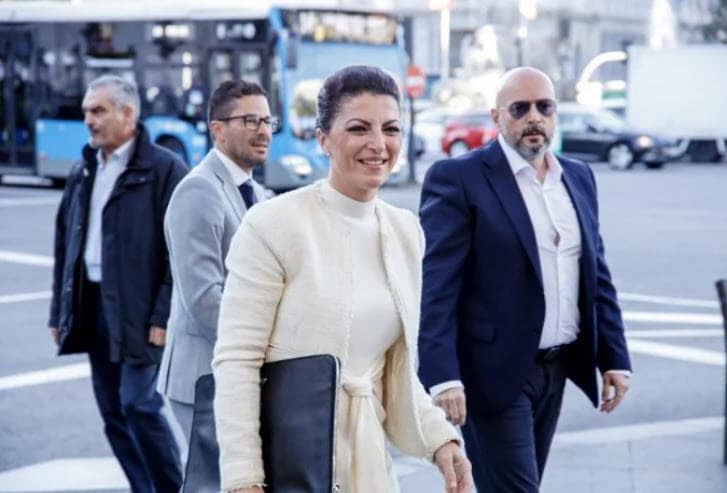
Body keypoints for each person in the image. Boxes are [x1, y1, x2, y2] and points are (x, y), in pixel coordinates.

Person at [212, 65, 473, 493]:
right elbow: (237, 360)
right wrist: (244, 478)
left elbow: (393, 372)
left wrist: (440, 439)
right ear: (323, 139)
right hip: (287, 461)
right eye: (358, 128)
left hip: (368, 463)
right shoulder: (273, 224)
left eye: (391, 129)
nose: (378, 144)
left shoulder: (405, 231)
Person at [418, 67, 632, 492]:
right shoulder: (459, 178)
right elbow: (437, 285)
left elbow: (596, 274)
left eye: (544, 107)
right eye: (519, 108)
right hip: (492, 373)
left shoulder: (578, 176)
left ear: (555, 114)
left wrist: (614, 357)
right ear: (497, 117)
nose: (534, 117)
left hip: (557, 368)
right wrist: (442, 376)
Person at [48, 74, 186, 493]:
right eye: (86, 111)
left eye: (98, 111)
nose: (88, 120)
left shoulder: (164, 169)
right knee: (112, 412)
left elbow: (180, 251)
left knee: (139, 403)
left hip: (140, 309)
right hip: (93, 304)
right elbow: (65, 241)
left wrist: (163, 315)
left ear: (128, 114)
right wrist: (59, 310)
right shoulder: (84, 168)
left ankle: (172, 488)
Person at [158, 80, 270, 454]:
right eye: (251, 121)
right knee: (217, 478)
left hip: (237, 375)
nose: (263, 131)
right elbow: (205, 299)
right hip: (203, 376)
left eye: (268, 121)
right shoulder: (199, 190)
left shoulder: (257, 192)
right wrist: (267, 347)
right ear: (218, 130)